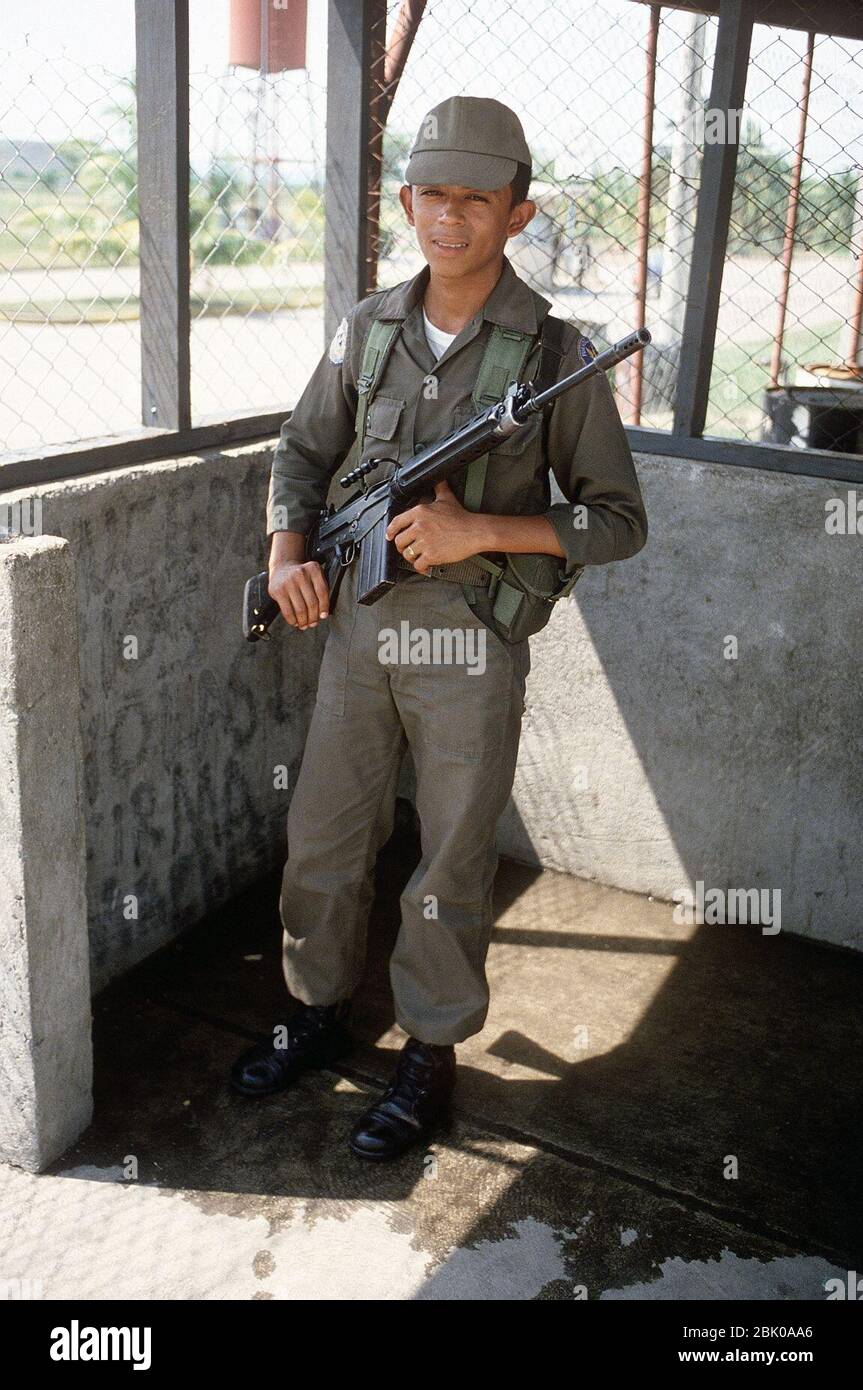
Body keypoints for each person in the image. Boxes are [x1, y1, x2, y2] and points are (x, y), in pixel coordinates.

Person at [230, 95, 648, 1161]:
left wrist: (478, 533)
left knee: (449, 860)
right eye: (431, 196)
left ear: (517, 213)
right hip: (356, 629)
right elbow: (299, 454)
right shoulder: (367, 328)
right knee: (323, 838)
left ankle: (427, 1050)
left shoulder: (558, 355)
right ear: (405, 201)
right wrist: (286, 556)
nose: (448, 218)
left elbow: (615, 522)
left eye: (476, 199)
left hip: (469, 642)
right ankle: (314, 1007)